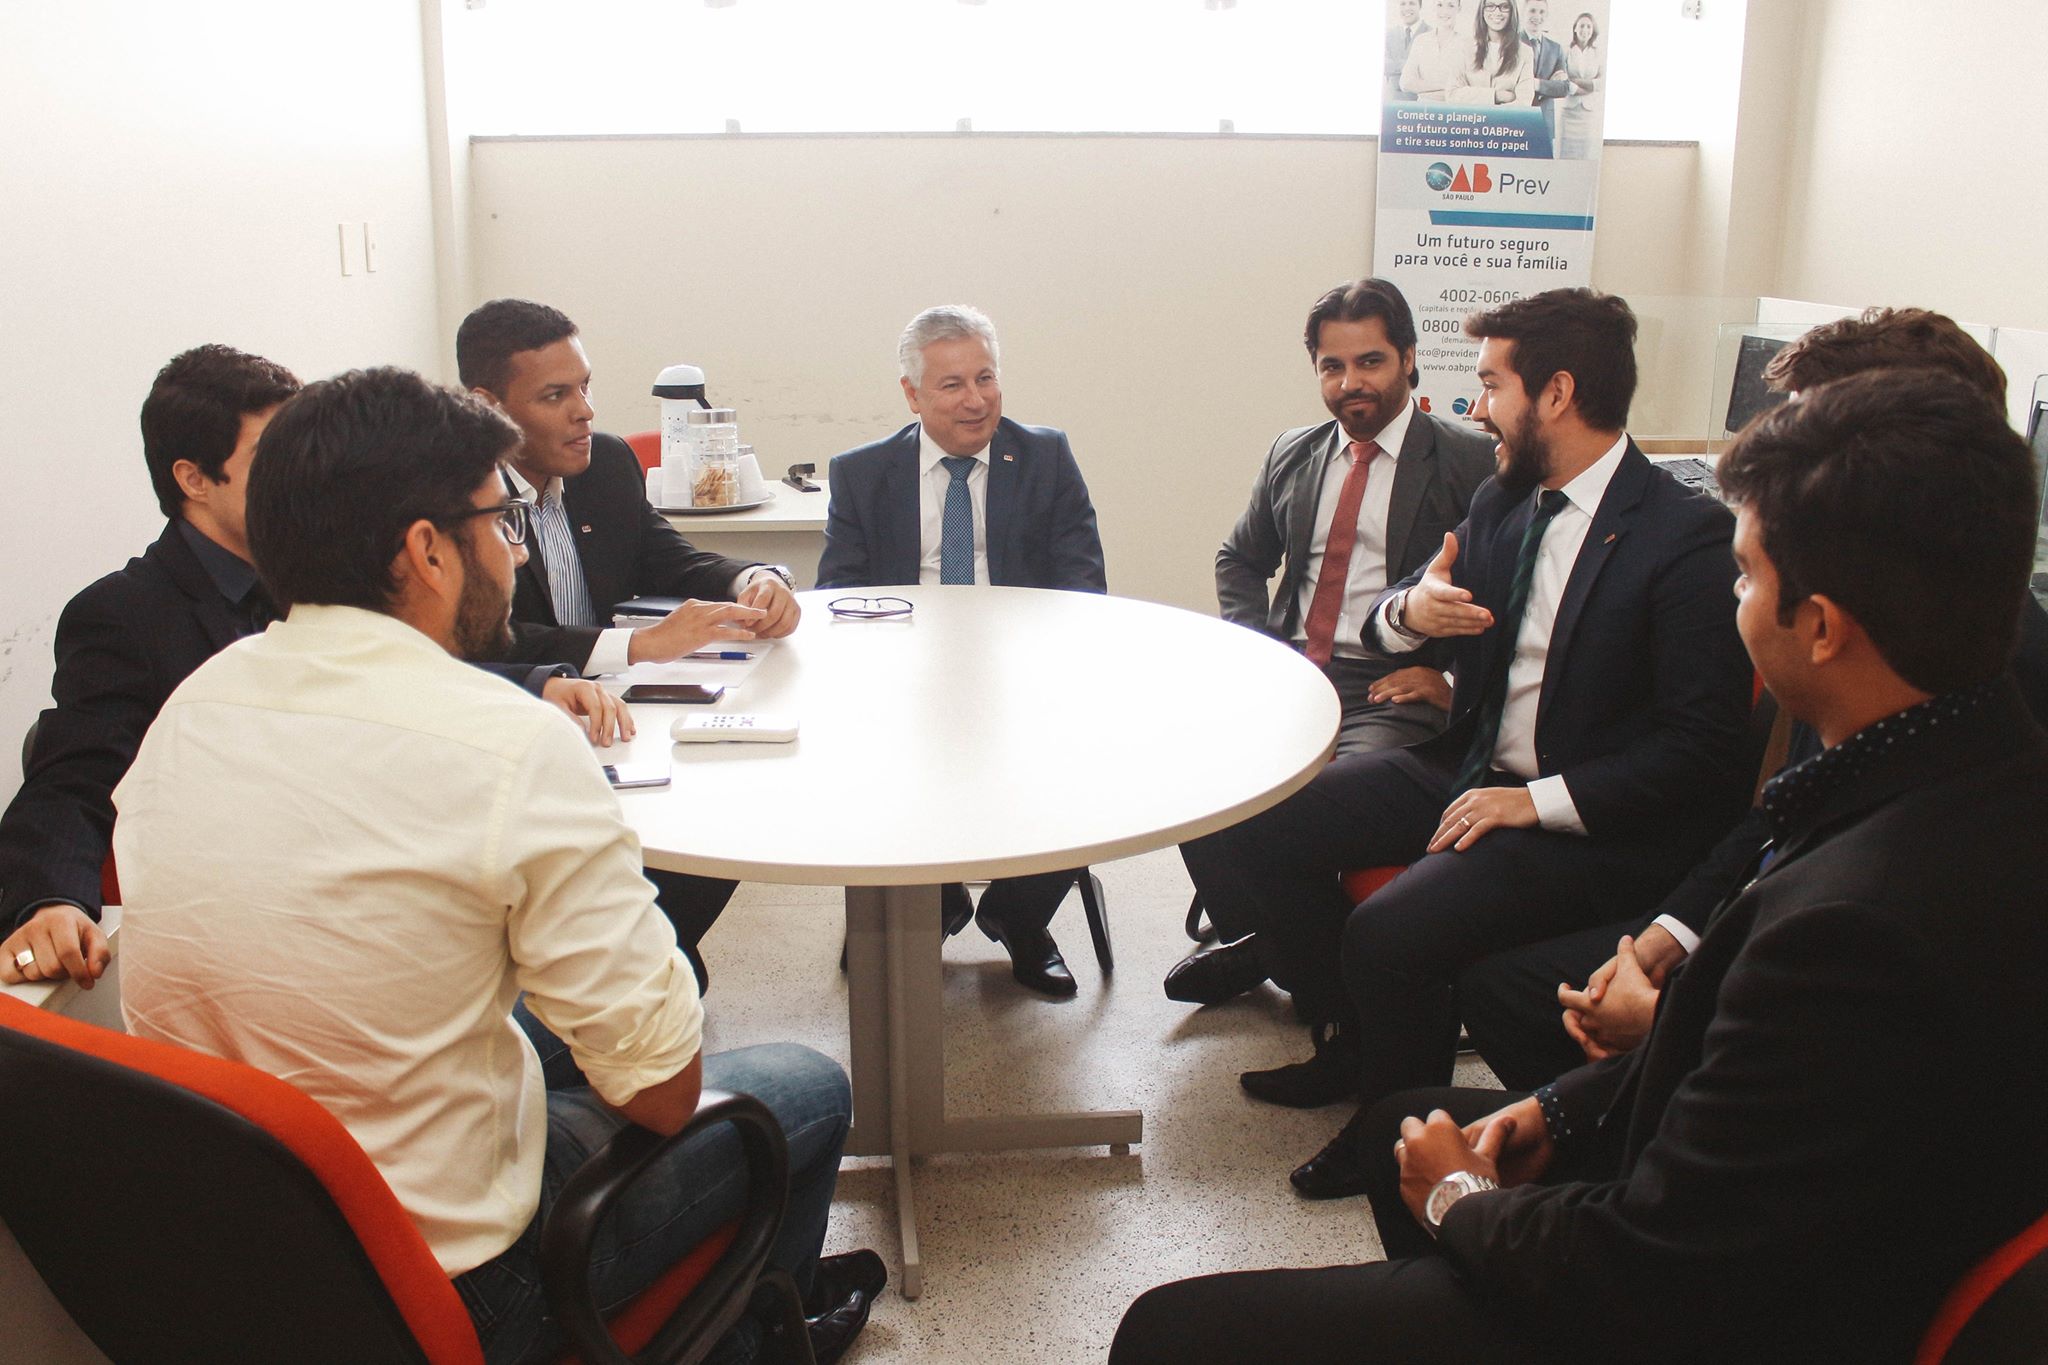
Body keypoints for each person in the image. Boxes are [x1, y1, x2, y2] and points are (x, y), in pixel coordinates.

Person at [1111, 370, 2048, 1365]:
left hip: (1717, 1311)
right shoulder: (1959, 770)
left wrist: (1460, 1200)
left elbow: (1655, 1272)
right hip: (1754, 1215)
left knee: (1169, 1334)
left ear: (1820, 627)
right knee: (1399, 1121)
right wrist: (1558, 1108)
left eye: (1745, 577)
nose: (1732, 599)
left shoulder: (1853, 932)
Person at [114, 367, 879, 1365]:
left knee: (551, 1030)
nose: (515, 549)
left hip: (247, 1238)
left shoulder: (195, 706)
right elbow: (660, 1091)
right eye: (501, 519)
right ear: (428, 551)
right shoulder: (506, 741)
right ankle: (749, 1337)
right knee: (803, 1085)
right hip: (460, 1276)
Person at [1178, 289, 1754, 1196]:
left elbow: (1703, 749)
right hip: (1468, 766)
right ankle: (1354, 1038)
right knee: (1255, 817)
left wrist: (1532, 802)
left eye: (1491, 384)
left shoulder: (1684, 538)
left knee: (1389, 932)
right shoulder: (1504, 500)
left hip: (1584, 817)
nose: (1476, 406)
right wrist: (1414, 610)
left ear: (1556, 393)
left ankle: (1399, 1128)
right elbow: (1393, 610)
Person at [1457, 303, 2048, 1090]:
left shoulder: (1993, 681)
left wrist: (1667, 1022)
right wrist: (1672, 933)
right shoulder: (1878, 647)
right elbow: (1778, 820)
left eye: (1814, 434)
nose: (1786, 463)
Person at [0, 345, 626, 993]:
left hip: (375, 884)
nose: (302, 475)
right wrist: (52, 901)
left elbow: (395, 675)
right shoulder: (126, 615)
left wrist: (536, 684)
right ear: (194, 479)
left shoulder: (318, 568)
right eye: (272, 457)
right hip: (260, 935)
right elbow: (72, 778)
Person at [1167, 279, 1493, 1007]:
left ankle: (1314, 983)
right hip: (1293, 673)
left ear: (1410, 358)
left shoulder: (1471, 463)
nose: (1351, 383)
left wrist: (1452, 683)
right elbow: (1239, 559)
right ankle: (1270, 938)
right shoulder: (1295, 452)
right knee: (1191, 771)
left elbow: (1510, 597)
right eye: (1332, 366)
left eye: (1370, 361)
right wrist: (1258, 653)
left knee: (1309, 809)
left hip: (1392, 685)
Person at [458, 298, 800, 981]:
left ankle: (650, 958)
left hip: (624, 719)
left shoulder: (606, 464)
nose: (584, 411)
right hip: (523, 732)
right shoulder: (462, 499)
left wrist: (754, 579)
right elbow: (487, 643)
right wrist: (638, 647)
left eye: (585, 387)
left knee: (730, 808)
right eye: (555, 396)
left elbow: (668, 557)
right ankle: (637, 968)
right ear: (487, 406)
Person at [816, 304, 1106, 997]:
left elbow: (1083, 584)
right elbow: (837, 595)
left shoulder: (1045, 457)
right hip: (903, 673)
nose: (976, 400)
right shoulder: (862, 473)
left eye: (986, 378)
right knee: (863, 748)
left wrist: (1037, 667)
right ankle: (927, 902)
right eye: (952, 384)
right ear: (912, 394)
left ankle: (1020, 916)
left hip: (1020, 670)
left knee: (1089, 752)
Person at [1450, 0, 1536, 107]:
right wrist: (1496, 96)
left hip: (1506, 118)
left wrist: (1494, 113)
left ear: (1512, 12)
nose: (1497, 12)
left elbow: (1524, 101)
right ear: (1482, 10)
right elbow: (1452, 94)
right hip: (1472, 117)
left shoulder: (1525, 52)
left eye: (1504, 6)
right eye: (1490, 6)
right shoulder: (1464, 47)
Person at [1521, 1, 1572, 149]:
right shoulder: (1511, 42)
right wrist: (1549, 84)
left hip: (1544, 121)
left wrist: (1535, 84)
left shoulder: (1556, 48)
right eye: (1532, 11)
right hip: (1516, 119)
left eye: (1542, 12)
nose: (1537, 16)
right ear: (1523, 12)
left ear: (1547, 15)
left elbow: (1564, 88)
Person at [1402, 0, 1474, 102]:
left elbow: (1471, 88)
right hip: (1424, 108)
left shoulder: (1468, 43)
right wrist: (1449, 86)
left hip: (1455, 108)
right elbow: (1405, 83)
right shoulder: (1421, 41)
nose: (1445, 11)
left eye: (1451, 6)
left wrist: (1423, 85)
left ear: (1459, 9)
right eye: (1440, 5)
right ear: (1434, 7)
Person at [1557, 11, 1603, 159]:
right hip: (1568, 111)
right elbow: (1562, 79)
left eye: (1589, 26)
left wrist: (1577, 81)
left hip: (1588, 113)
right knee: (1565, 153)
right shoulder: (1566, 51)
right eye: (1582, 26)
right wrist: (1588, 87)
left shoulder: (1597, 53)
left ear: (1593, 30)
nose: (1585, 30)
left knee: (1585, 154)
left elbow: (1601, 83)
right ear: (1575, 28)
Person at [1385, 0, 1431, 103]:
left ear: (1420, 6)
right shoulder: (1389, 34)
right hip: (1392, 101)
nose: (1407, 8)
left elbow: (1428, 70)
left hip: (1420, 103)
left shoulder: (1431, 34)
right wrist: (1410, 65)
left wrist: (1395, 66)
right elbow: (1384, 66)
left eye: (1412, 3)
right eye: (1403, 3)